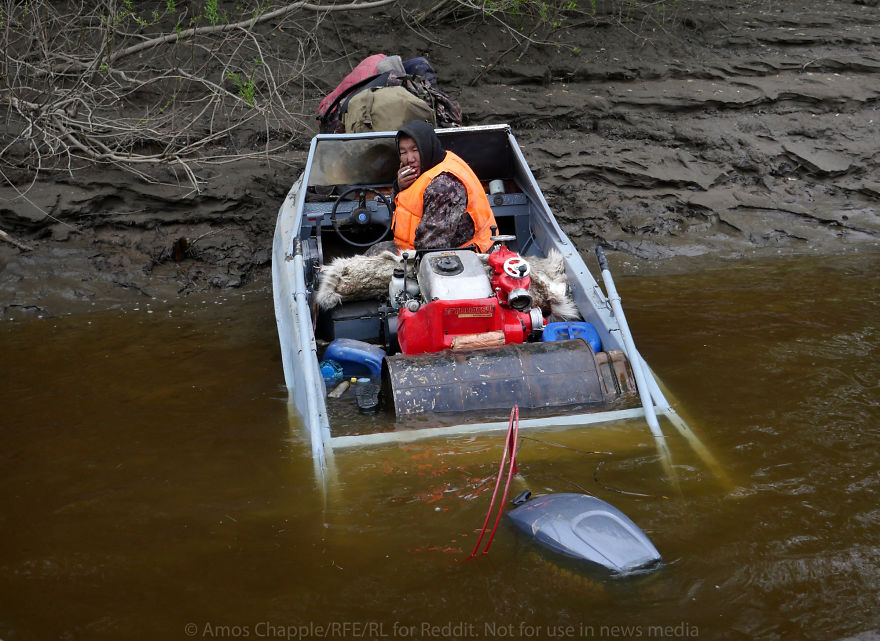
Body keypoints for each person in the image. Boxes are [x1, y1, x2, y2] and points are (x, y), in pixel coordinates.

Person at [390, 120, 497, 253]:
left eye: (415, 150)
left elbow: (431, 248)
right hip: (412, 247)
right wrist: (400, 188)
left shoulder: (444, 187)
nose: (410, 159)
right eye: (403, 152)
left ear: (427, 147)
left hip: (461, 255)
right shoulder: (431, 164)